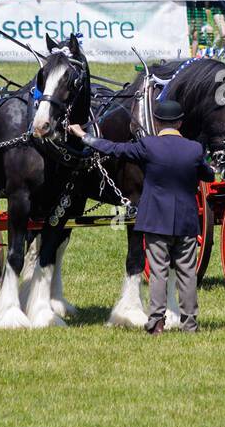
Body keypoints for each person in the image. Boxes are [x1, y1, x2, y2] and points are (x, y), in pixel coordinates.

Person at [68, 101, 214, 335]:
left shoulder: (148, 145)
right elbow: (208, 174)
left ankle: (156, 322)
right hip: (186, 221)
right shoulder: (195, 149)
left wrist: (84, 136)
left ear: (156, 122)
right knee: (187, 273)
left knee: (158, 272)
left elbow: (113, 149)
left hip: (156, 220)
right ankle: (190, 325)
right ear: (180, 123)